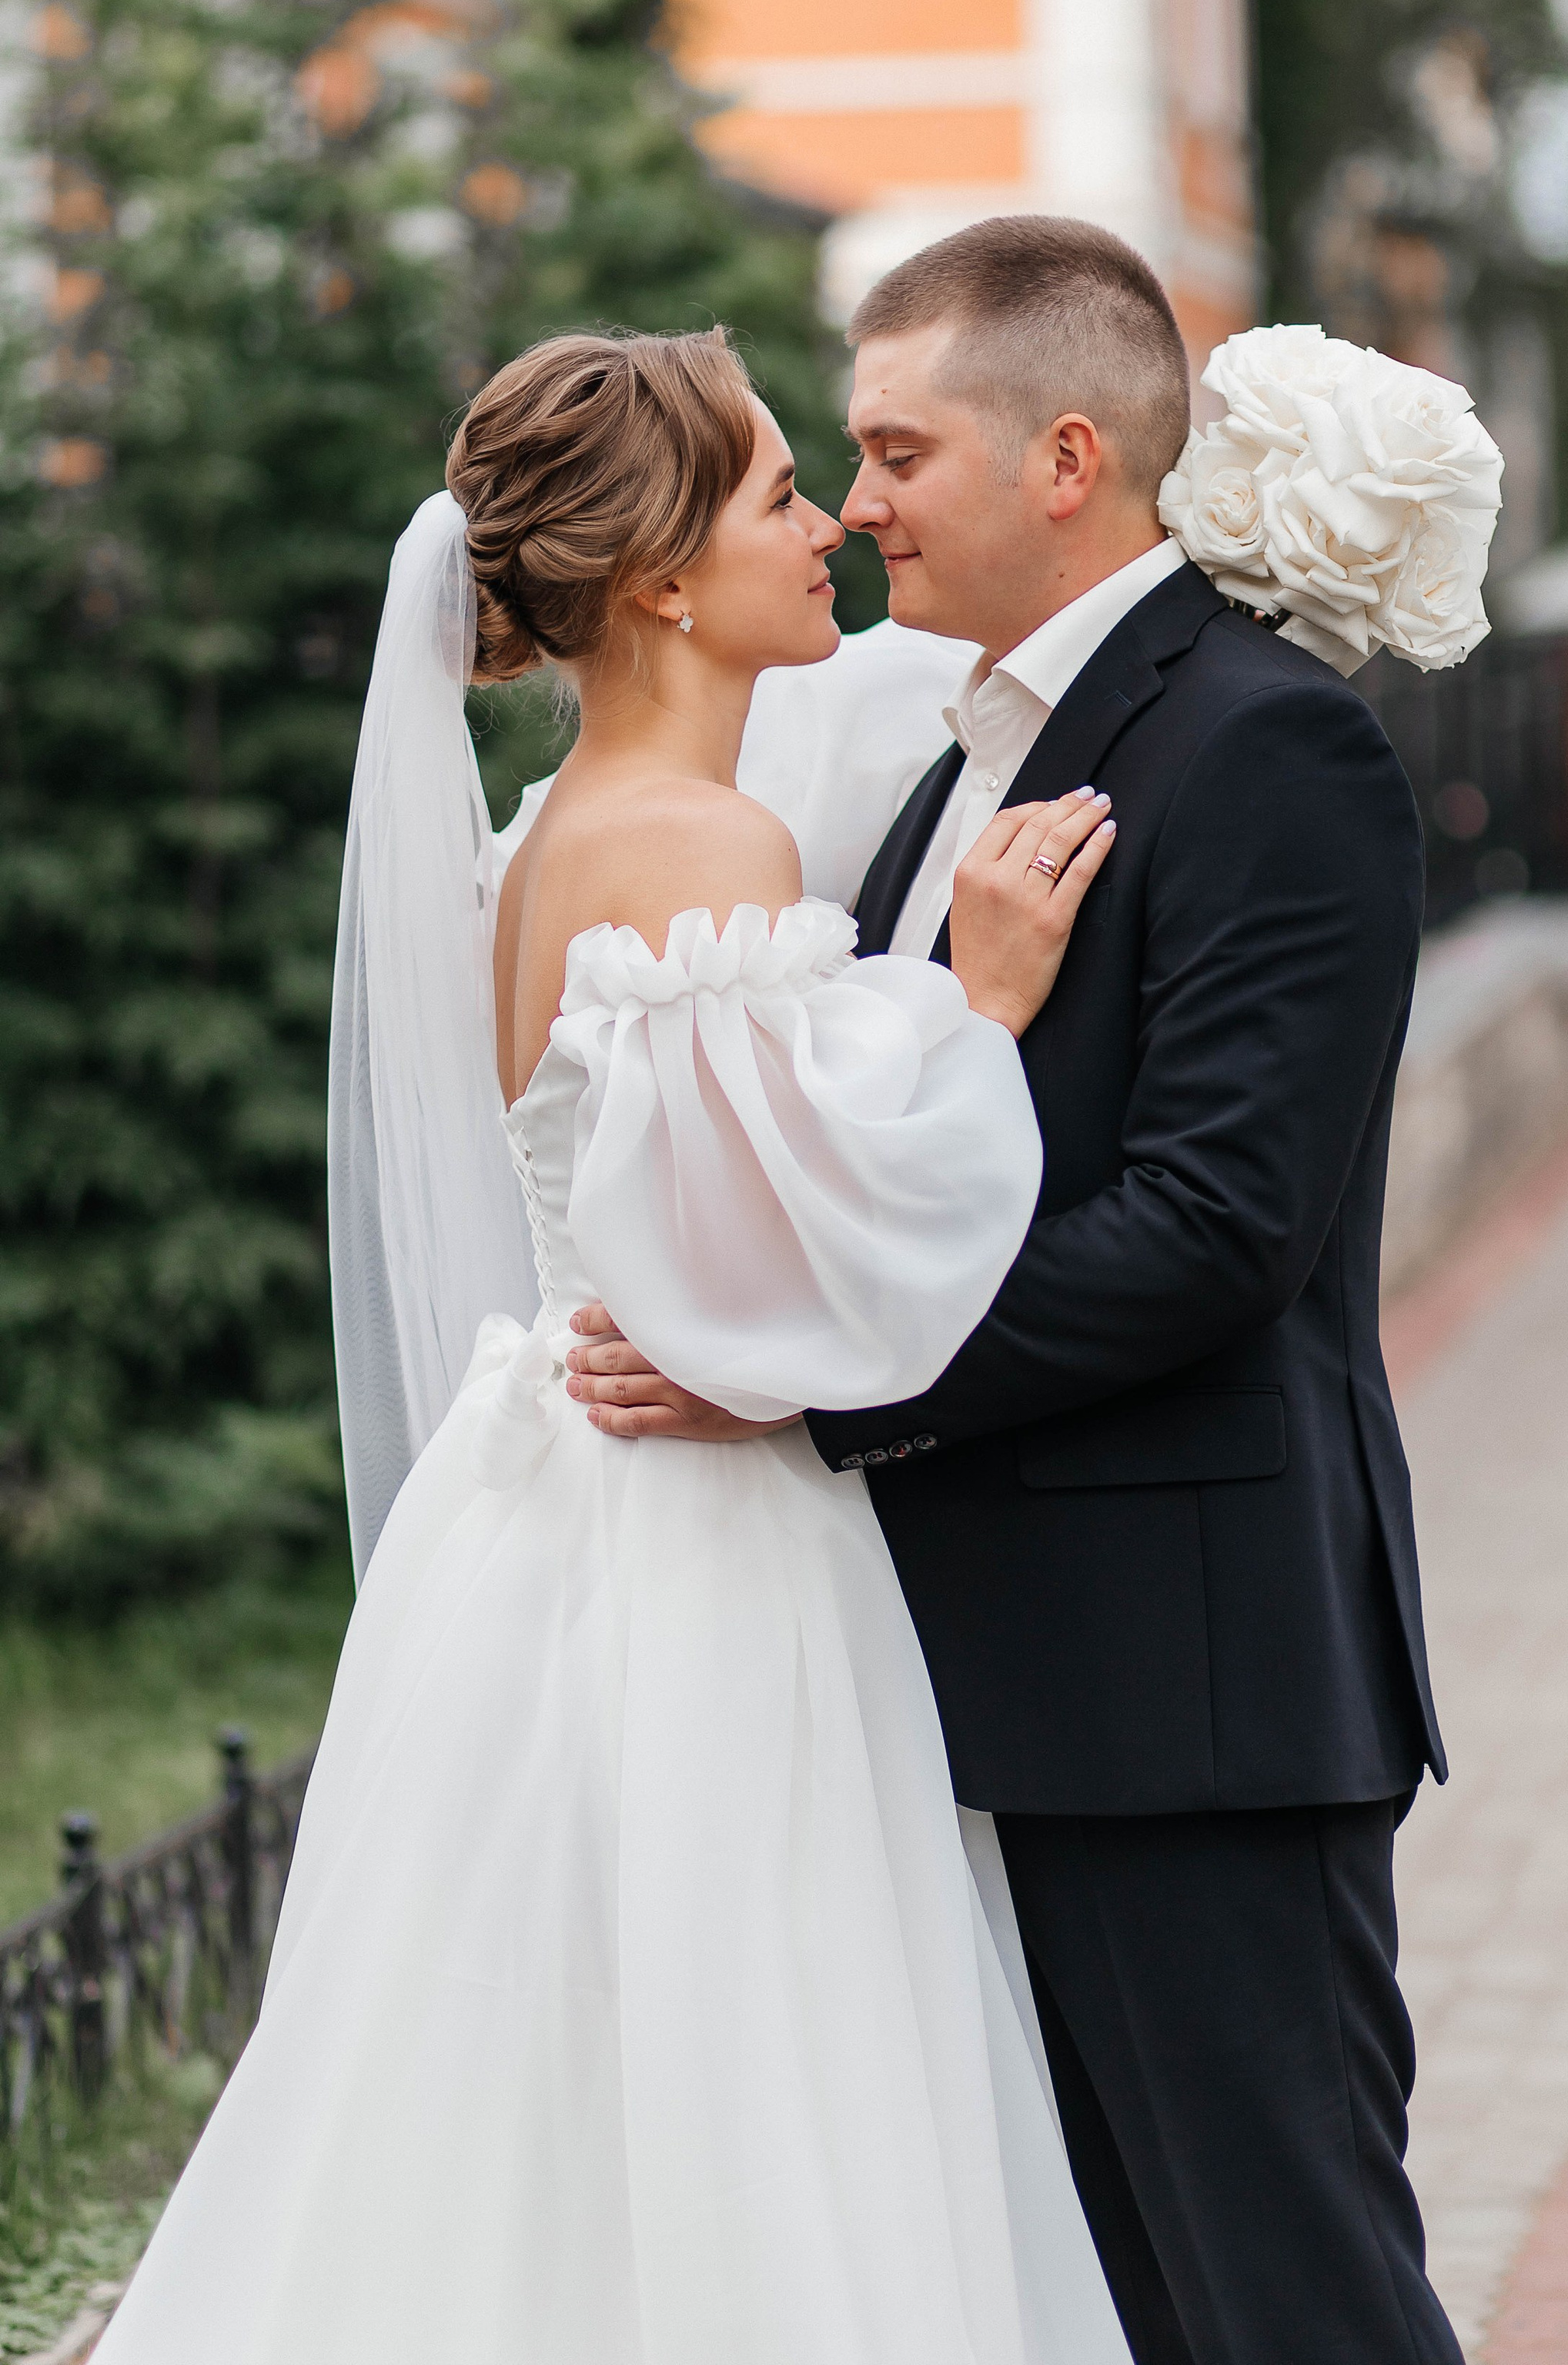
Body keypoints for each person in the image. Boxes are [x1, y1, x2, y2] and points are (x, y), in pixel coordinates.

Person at [96, 329, 1135, 2365]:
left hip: (543, 1511)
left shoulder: (553, 829)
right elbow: (782, 1260)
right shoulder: (696, 845)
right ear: (661, 577)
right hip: (690, 1540)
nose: (831, 525)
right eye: (780, 494)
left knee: (529, 2079)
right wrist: (983, 1000)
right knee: (749, 2057)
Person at [569, 219, 1464, 2365]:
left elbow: (1218, 1230)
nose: (857, 504)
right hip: (979, 1680)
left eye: (896, 452)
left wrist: (809, 1389)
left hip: (1189, 1693)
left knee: (1290, 2299)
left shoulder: (1264, 744)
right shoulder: (953, 762)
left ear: (1066, 458)